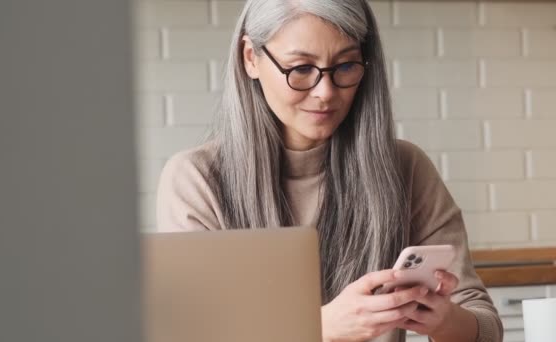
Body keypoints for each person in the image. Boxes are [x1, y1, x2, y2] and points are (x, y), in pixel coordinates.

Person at [156, 0, 503, 341]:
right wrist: (320, 328)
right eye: (301, 68)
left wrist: (443, 321)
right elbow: (192, 333)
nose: (326, 92)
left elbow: (486, 328)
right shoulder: (197, 179)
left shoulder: (405, 167)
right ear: (251, 58)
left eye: (346, 66)